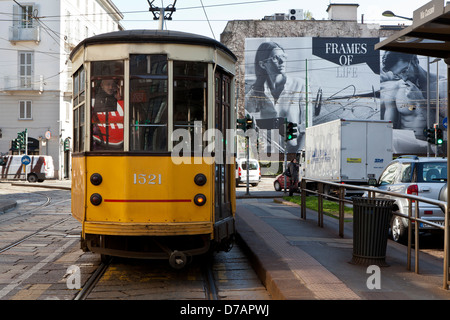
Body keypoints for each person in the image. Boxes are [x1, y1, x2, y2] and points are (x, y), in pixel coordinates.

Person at [245, 41, 305, 153]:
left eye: (283, 56)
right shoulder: (255, 94)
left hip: (294, 155)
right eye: (276, 58)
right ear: (263, 64)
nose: (282, 61)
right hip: (267, 156)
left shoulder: (300, 85)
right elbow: (242, 118)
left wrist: (299, 154)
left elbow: (307, 127)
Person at [381, 52, 447, 142]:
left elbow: (446, 128)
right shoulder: (395, 89)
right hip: (403, 147)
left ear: (415, 61)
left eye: (404, 71)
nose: (403, 78)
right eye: (397, 75)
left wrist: (420, 101)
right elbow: (387, 131)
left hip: (433, 148)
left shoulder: (442, 85)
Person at [92, 79, 124, 149]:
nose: (110, 87)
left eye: (113, 85)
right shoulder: (93, 103)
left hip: (122, 145)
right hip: (99, 144)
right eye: (108, 85)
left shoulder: (122, 103)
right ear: (102, 86)